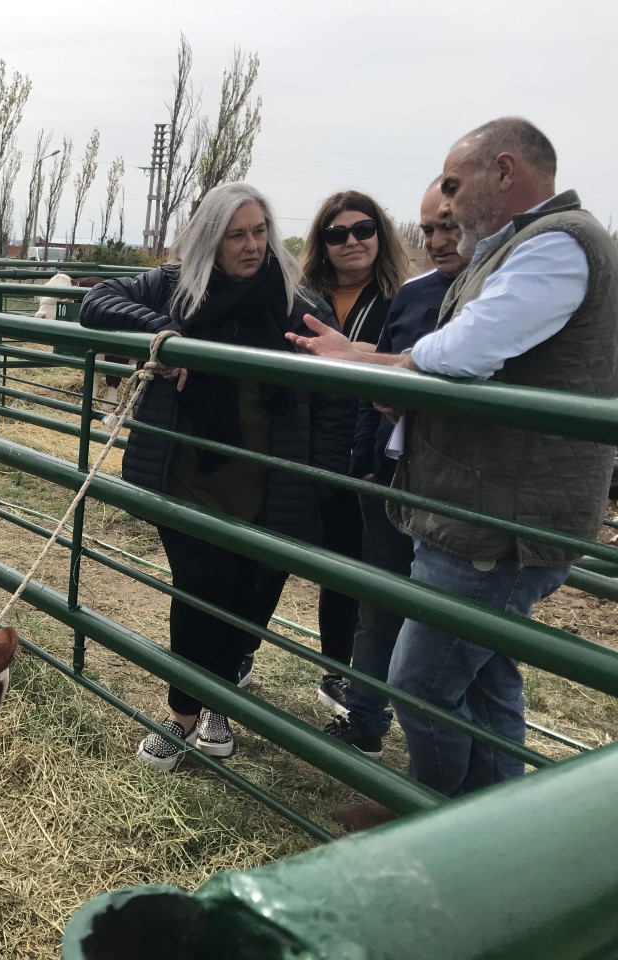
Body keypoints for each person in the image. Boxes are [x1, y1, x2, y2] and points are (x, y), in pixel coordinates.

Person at [287, 118, 618, 826]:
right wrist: (370, 359)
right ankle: (490, 823)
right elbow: (445, 359)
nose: (444, 201)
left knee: (421, 683)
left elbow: (460, 354)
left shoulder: (557, 247)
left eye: (454, 183)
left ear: (505, 172)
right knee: (488, 675)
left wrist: (367, 362)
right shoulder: (517, 251)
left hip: (499, 522)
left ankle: (427, 815)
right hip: (482, 508)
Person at [79, 182, 352, 768]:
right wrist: (166, 335)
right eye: (236, 234)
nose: (252, 245)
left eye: (259, 231)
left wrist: (320, 476)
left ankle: (220, 699)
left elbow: (335, 401)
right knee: (201, 589)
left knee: (250, 598)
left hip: (273, 480)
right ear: (211, 238)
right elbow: (97, 301)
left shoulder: (296, 301)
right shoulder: (177, 288)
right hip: (192, 474)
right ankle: (182, 713)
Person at [323, 178, 471, 757]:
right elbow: (373, 390)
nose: (436, 239)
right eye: (429, 228)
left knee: (441, 627)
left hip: (451, 487)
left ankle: (434, 752)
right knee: (378, 600)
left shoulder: (498, 302)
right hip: (389, 474)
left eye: (449, 227)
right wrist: (364, 463)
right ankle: (364, 718)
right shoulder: (412, 296)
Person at [283, 191, 412, 717]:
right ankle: (239, 651)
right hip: (299, 442)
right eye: (337, 234)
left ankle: (337, 669)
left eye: (363, 230)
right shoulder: (300, 295)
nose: (351, 242)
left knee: (348, 567)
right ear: (322, 244)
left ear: (380, 235)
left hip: (363, 454)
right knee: (273, 553)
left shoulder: (400, 300)